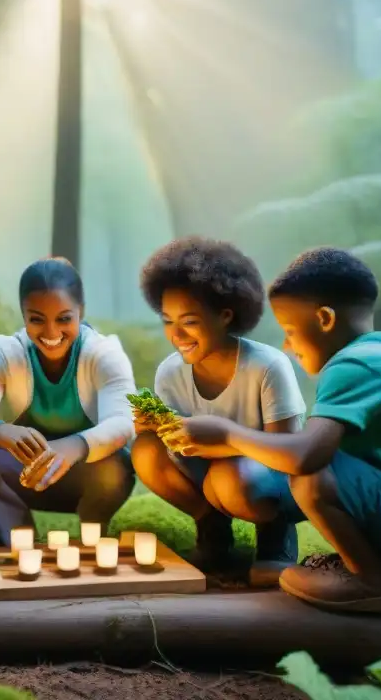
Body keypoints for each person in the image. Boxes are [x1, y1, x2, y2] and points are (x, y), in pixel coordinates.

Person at [171, 246, 381, 613]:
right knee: (286, 472)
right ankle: (371, 567)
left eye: (289, 330)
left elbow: (306, 455)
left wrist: (226, 433)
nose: (287, 345)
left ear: (325, 319)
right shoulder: (372, 361)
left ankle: (373, 582)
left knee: (313, 471)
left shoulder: (358, 365)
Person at [131, 237, 308, 586]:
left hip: (269, 477)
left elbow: (287, 452)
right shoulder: (171, 371)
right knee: (145, 452)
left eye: (189, 321)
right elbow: (175, 447)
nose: (176, 334)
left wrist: (223, 444)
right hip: (209, 474)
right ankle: (212, 532)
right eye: (167, 321)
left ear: (226, 315)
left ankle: (276, 538)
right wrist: (154, 427)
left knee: (227, 478)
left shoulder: (268, 366)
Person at [0, 258, 137, 544]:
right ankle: (18, 532)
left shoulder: (104, 354)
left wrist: (73, 446)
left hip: (88, 476)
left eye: (64, 318)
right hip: (26, 474)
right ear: (23, 315)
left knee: (116, 465)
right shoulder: (7, 354)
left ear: (80, 312)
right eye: (36, 319)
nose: (51, 333)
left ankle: (92, 533)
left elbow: (123, 422)